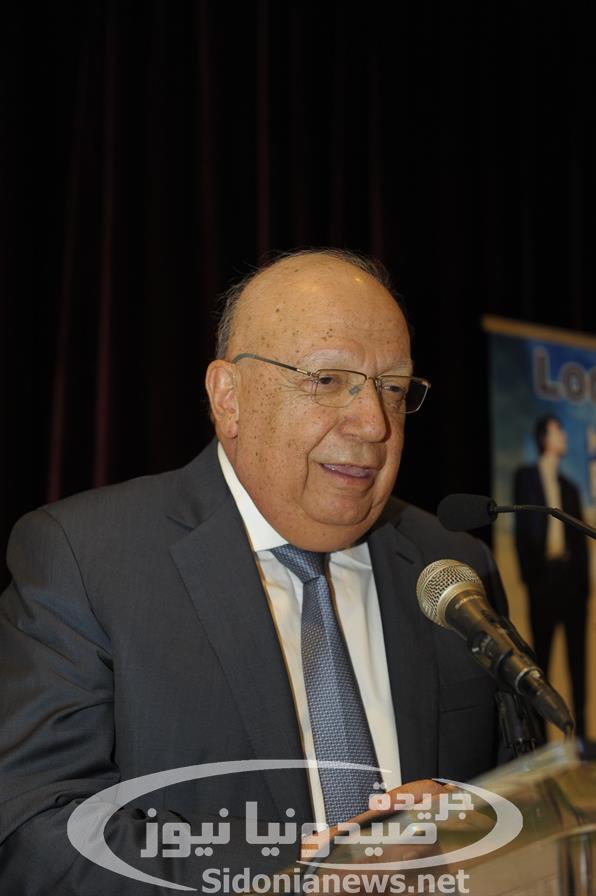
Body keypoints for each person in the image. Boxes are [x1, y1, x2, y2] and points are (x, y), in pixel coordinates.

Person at [0, 249, 509, 893]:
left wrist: (472, 829)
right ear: (229, 397)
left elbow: (512, 795)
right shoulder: (86, 557)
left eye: (394, 388)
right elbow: (37, 833)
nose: (374, 423)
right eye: (328, 380)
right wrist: (307, 876)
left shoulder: (449, 566)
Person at [514, 414, 589, 738]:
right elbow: (522, 531)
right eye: (559, 431)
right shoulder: (525, 477)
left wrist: (584, 589)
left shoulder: (570, 488)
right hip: (543, 580)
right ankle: (542, 739)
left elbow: (580, 543)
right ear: (544, 437)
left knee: (578, 663)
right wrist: (531, 577)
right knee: (539, 663)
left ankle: (581, 738)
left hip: (571, 583)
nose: (565, 437)